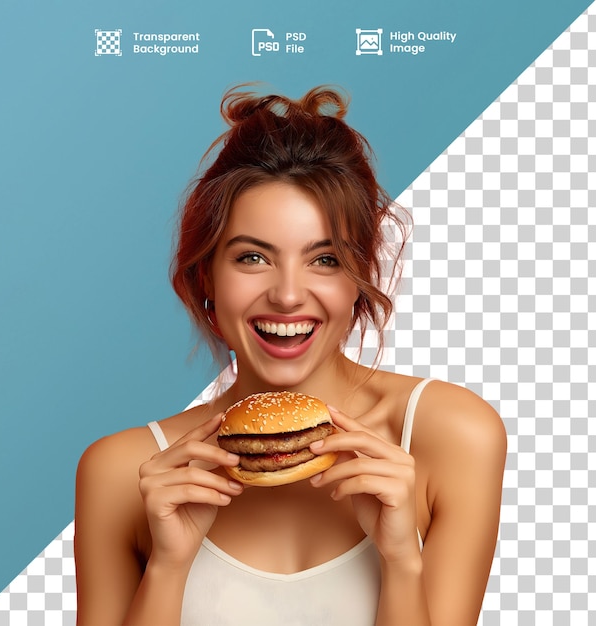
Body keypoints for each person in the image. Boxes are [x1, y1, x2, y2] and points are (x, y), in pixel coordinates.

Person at [74, 85, 506, 626]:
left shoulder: (450, 435)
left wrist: (401, 563)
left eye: (323, 259)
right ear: (207, 275)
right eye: (252, 257)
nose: (286, 294)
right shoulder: (122, 472)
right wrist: (167, 567)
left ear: (360, 278)